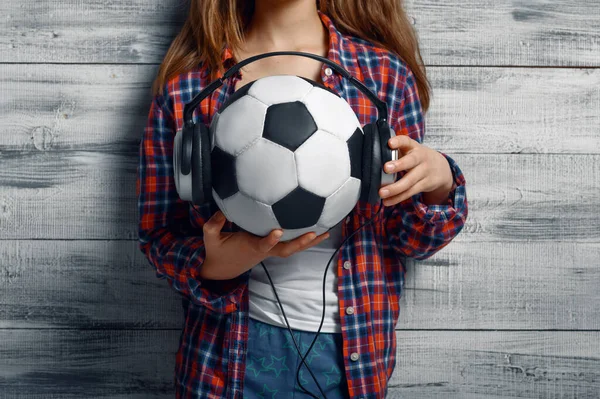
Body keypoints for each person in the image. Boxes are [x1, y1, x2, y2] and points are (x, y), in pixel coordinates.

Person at [137, 0, 469, 397]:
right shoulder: (187, 90)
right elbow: (158, 235)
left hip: (352, 357)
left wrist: (440, 183)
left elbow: (410, 240)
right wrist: (215, 266)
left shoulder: (383, 77)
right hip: (224, 361)